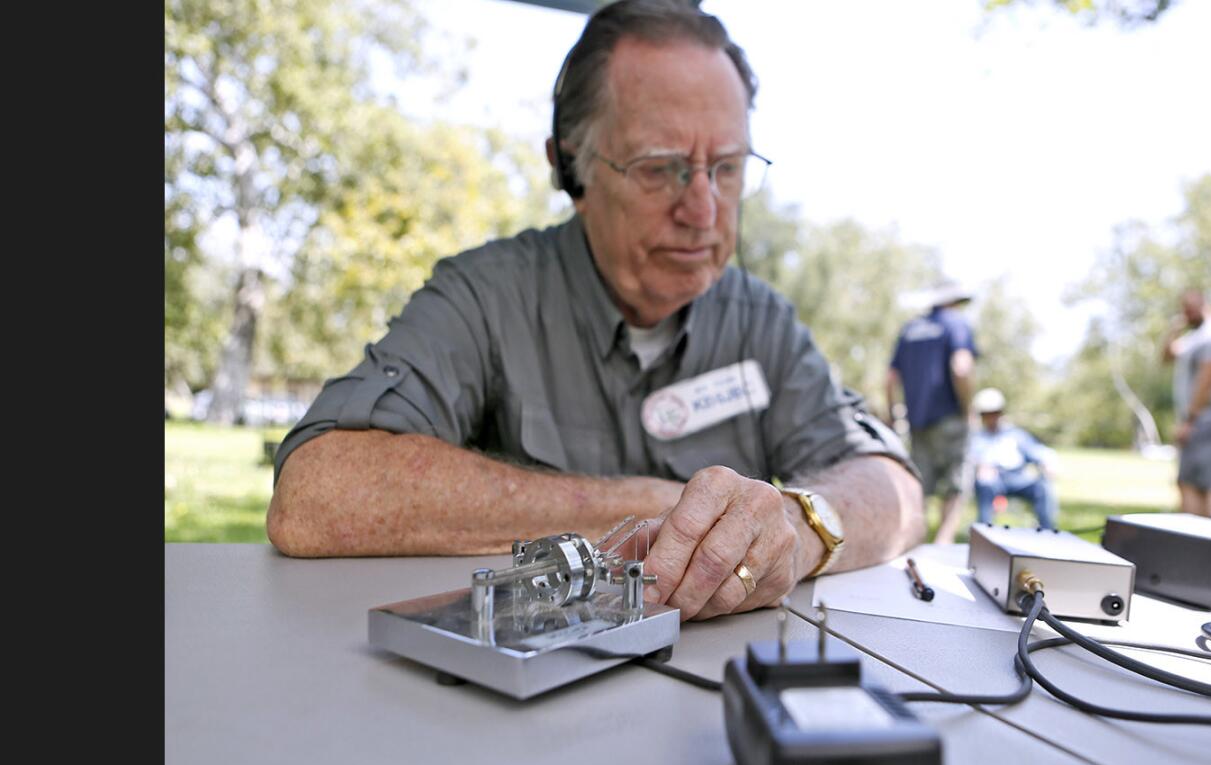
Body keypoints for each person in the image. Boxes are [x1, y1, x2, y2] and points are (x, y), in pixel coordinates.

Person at [265, 0, 925, 622]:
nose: (703, 213)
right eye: (660, 168)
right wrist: (659, 507)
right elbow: (316, 495)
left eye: (726, 168)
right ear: (570, 170)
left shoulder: (761, 320)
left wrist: (801, 524)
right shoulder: (487, 295)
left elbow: (893, 492)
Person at [885, 281, 978, 544]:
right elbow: (961, 368)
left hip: (917, 422)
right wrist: (967, 408)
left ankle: (914, 543)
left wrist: (893, 415)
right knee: (955, 486)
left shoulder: (910, 329)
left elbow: (891, 378)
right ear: (952, 302)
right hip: (950, 417)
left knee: (920, 488)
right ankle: (942, 544)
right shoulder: (955, 323)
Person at [1161, 289, 1211, 517]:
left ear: (1203, 305)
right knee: (1200, 486)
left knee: (1192, 485)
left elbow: (1209, 379)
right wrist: (1174, 329)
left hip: (1208, 420)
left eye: (1188, 309)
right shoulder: (1198, 336)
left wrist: (1190, 420)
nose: (1185, 314)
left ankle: (1195, 547)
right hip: (1204, 420)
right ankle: (1205, 548)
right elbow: (1167, 356)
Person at [966, 388, 1058, 530]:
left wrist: (1047, 462)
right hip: (992, 479)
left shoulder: (1016, 434)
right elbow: (969, 460)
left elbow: (1038, 452)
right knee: (985, 484)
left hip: (1018, 478)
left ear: (1000, 413)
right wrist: (979, 467)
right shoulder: (976, 438)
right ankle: (984, 532)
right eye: (986, 414)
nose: (991, 417)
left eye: (994, 413)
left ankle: (1048, 532)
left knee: (1043, 487)